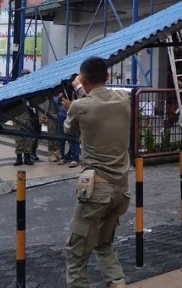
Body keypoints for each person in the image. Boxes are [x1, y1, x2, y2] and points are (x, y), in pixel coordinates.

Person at [60, 56, 131, 288]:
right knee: (103, 244)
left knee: (76, 251)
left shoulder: (80, 107)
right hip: (121, 190)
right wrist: (82, 88)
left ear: (83, 78)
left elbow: (69, 127)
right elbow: (98, 103)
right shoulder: (123, 100)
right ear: (108, 76)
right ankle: (117, 282)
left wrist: (77, 92)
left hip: (96, 191)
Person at [12, 69, 37, 166]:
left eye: (27, 75)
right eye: (24, 75)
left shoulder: (33, 87)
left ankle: (27, 157)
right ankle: (19, 157)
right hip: (18, 114)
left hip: (29, 115)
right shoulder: (17, 88)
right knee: (18, 137)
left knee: (29, 138)